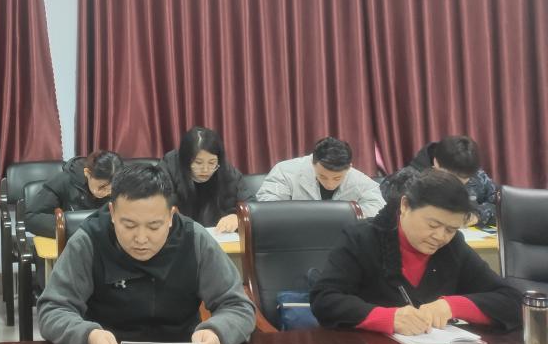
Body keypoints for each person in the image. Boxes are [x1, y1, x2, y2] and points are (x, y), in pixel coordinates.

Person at [37, 164, 255, 344]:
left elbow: (238, 306)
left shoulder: (195, 239)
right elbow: (52, 310)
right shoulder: (89, 240)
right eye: (129, 225)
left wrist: (217, 334)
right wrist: (89, 337)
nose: (141, 239)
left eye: (154, 226)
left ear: (171, 216)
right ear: (112, 213)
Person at [310, 169, 521, 335]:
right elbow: (325, 300)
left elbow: (511, 300)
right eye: (433, 225)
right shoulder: (362, 238)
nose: (440, 236)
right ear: (405, 205)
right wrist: (388, 318)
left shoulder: (453, 247)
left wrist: (452, 306)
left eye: (450, 229)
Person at [380, 135, 497, 227]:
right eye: (453, 177)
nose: (457, 185)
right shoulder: (406, 180)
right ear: (436, 162)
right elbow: (390, 215)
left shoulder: (476, 175)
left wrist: (477, 215)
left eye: (464, 180)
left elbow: (500, 206)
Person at [255, 136, 384, 217]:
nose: (330, 184)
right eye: (323, 176)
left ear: (349, 167)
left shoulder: (358, 179)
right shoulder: (284, 171)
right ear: (313, 162)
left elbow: (379, 207)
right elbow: (267, 206)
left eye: (337, 178)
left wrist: (342, 216)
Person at [162, 126, 249, 232]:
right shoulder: (169, 167)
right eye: (198, 163)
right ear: (185, 159)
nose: (205, 169)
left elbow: (251, 206)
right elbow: (156, 203)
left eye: (212, 163)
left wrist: (237, 217)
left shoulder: (228, 172)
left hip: (218, 235)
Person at [24, 150, 125, 237]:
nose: (108, 192)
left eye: (112, 188)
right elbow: (31, 219)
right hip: (71, 243)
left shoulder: (122, 186)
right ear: (87, 173)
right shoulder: (64, 181)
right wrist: (69, 226)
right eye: (102, 187)